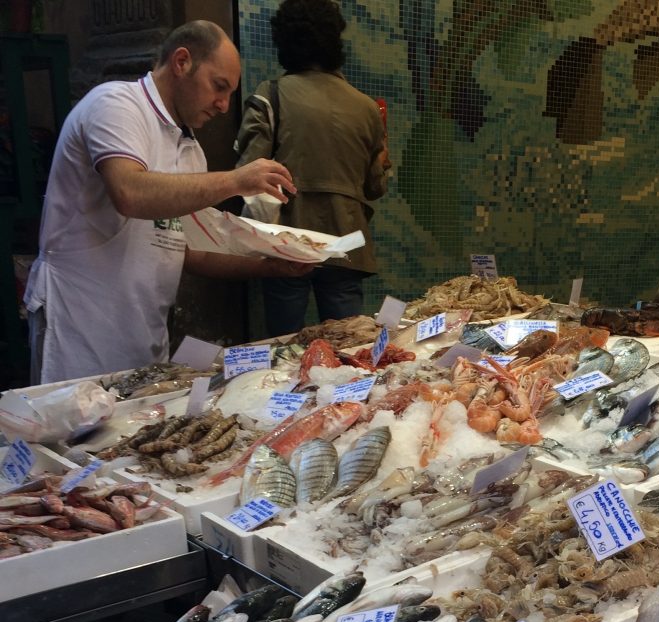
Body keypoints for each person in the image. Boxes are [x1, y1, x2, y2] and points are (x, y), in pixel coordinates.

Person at [24, 20, 311, 385]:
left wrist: (271, 266)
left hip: (143, 338)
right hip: (80, 331)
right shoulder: (115, 104)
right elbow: (130, 192)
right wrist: (236, 181)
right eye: (218, 87)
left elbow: (190, 251)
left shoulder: (191, 151)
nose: (224, 105)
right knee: (69, 440)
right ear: (181, 62)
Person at [235, 0, 390, 336]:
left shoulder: (271, 96)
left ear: (284, 42)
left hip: (288, 245)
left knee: (282, 348)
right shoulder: (366, 109)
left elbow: (247, 176)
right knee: (349, 347)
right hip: (348, 246)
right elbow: (375, 188)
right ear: (335, 42)